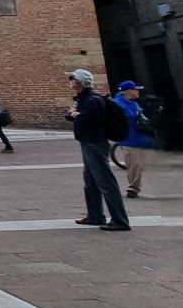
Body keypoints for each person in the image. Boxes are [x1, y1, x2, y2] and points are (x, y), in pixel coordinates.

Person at [66, 69, 129, 231]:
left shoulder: (93, 100)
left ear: (79, 82)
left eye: (72, 78)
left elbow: (85, 119)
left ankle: (119, 220)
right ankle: (95, 215)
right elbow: (71, 115)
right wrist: (73, 114)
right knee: (91, 181)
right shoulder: (84, 99)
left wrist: (75, 115)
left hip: (95, 143)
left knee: (105, 181)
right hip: (87, 142)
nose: (70, 80)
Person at [112, 81, 155, 198]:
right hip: (129, 139)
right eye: (136, 89)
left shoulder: (133, 103)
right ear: (129, 91)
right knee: (135, 164)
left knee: (140, 164)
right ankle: (133, 189)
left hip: (140, 138)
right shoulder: (118, 104)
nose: (138, 91)